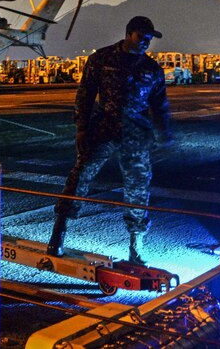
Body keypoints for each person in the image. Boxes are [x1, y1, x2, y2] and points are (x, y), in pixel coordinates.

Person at [47, 16, 172, 265]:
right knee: (80, 176)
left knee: (138, 189)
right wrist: (81, 128)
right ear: (129, 34)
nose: (146, 42)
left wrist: (164, 134)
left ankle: (137, 246)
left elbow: (160, 105)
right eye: (142, 36)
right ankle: (59, 231)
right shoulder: (102, 59)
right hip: (103, 128)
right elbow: (85, 94)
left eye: (149, 38)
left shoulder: (152, 69)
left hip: (136, 134)